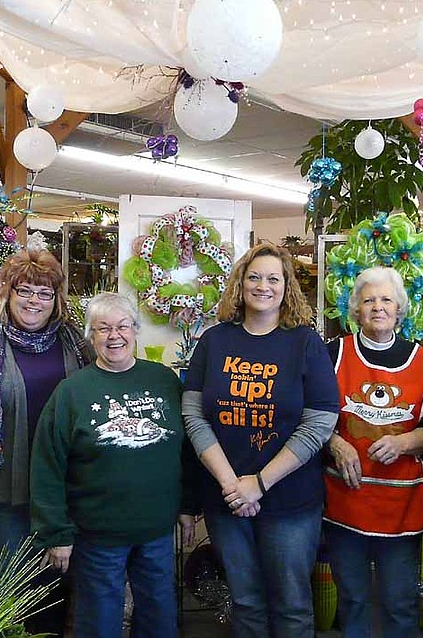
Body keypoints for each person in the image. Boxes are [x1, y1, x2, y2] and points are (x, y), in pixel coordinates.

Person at [182, 243, 339, 638]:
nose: (263, 286)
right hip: (227, 500)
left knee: (291, 605)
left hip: (290, 502)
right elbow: (194, 415)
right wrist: (231, 484)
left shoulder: (305, 342)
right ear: (240, 283)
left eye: (273, 278)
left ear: (287, 287)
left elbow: (319, 423)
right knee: (246, 603)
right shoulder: (214, 341)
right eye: (254, 277)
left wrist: (261, 482)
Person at [30, 292, 198, 638]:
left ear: (136, 330)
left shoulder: (165, 381)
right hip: (97, 535)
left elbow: (187, 450)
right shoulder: (71, 392)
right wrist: (56, 533)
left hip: (156, 531)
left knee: (159, 619)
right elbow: (48, 466)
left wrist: (187, 505)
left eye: (123, 326)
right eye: (103, 328)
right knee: (99, 623)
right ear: (91, 337)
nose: (114, 336)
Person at [0, 247, 91, 637]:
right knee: (17, 588)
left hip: (67, 492)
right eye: (24, 290)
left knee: (61, 585)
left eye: (44, 293)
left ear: (56, 300)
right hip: (7, 494)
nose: (33, 301)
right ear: (7, 294)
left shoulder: (76, 347)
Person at [324, 266, 423, 638]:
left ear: (400, 309)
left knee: (400, 603)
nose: (378, 307)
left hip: (401, 508)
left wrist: (406, 441)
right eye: (368, 300)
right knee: (351, 601)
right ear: (355, 310)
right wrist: (335, 443)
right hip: (345, 505)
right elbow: (309, 416)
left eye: (386, 299)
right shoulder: (332, 354)